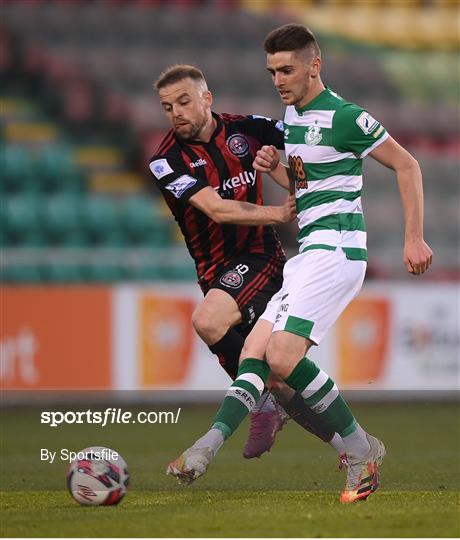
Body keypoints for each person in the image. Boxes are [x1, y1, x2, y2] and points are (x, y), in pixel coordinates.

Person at [166, 26, 433, 503]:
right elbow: (310, 180)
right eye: (271, 72)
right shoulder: (292, 118)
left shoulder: (345, 116)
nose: (278, 80)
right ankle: (208, 447)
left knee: (284, 358)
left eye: (286, 69)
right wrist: (278, 171)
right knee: (254, 351)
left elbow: (407, 164)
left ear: (315, 65)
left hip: (335, 251)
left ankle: (357, 451)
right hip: (308, 253)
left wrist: (413, 236)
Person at [150, 64, 340, 460]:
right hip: (214, 271)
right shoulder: (165, 161)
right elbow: (216, 210)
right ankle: (349, 446)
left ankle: (259, 402)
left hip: (260, 256)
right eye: (168, 107)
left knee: (207, 320)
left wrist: (291, 168)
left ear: (207, 98)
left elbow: (307, 138)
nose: (176, 112)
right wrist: (279, 212)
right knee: (280, 378)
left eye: (184, 101)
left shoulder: (246, 129)